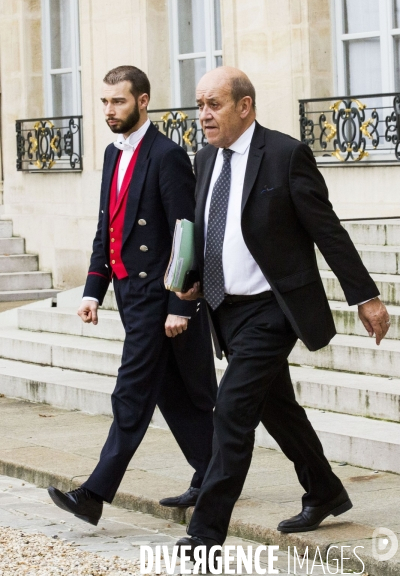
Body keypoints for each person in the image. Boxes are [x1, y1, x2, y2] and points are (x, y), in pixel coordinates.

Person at [175, 66, 390, 558]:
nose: (203, 115)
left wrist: (366, 296)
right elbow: (209, 230)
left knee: (231, 412)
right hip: (224, 310)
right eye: (200, 104)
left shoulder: (286, 155)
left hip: (273, 310)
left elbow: (326, 229)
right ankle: (325, 491)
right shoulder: (206, 159)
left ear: (244, 106)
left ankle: (205, 537)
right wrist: (190, 282)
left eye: (214, 105)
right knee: (279, 409)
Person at [47, 65, 217, 526]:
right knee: (174, 393)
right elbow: (109, 225)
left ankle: (95, 493)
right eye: (104, 102)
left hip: (159, 297)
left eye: (118, 101)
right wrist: (93, 291)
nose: (109, 110)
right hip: (129, 293)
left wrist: (182, 303)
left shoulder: (166, 155)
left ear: (143, 101)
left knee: (131, 392)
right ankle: (214, 474)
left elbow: (187, 234)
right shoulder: (111, 152)